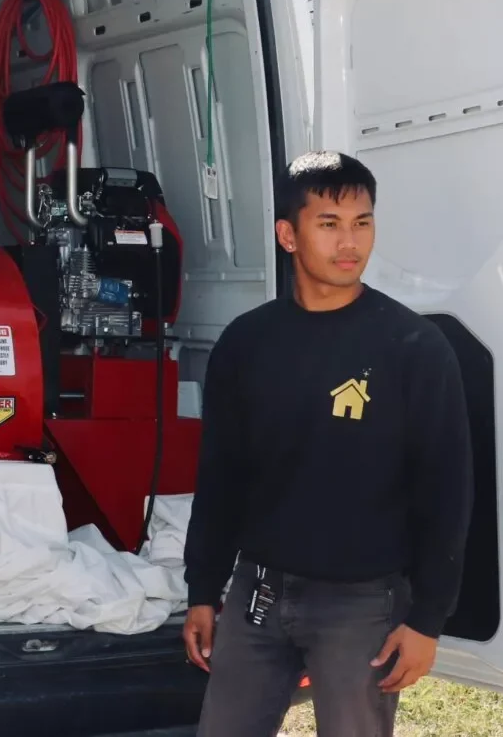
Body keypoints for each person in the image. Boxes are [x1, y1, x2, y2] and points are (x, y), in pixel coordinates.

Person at [182, 150, 474, 737]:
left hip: (361, 605)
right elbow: (221, 478)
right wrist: (203, 589)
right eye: (329, 224)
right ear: (288, 234)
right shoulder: (247, 344)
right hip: (256, 594)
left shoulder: (412, 347)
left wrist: (427, 620)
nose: (350, 243)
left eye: (362, 223)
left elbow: (447, 491)